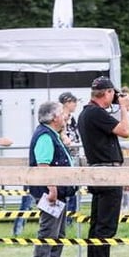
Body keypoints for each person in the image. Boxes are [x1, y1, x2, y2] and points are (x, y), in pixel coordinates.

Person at [77, 76, 129, 257]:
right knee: (105, 228)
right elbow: (125, 131)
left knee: (97, 226)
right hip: (107, 174)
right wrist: (124, 109)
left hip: (99, 173)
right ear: (107, 93)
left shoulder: (88, 113)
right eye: (113, 93)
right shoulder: (95, 113)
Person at [28, 101, 77, 257]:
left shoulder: (52, 134)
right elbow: (43, 165)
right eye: (62, 113)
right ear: (54, 117)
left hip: (57, 192)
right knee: (48, 232)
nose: (65, 117)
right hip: (50, 193)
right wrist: (53, 189)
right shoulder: (45, 136)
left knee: (58, 234)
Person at [59, 92, 82, 225]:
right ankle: (66, 220)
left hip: (73, 154)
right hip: (65, 156)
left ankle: (69, 220)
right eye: (74, 102)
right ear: (67, 102)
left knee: (73, 187)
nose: (75, 105)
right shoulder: (60, 117)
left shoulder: (72, 118)